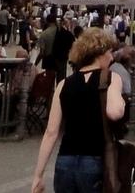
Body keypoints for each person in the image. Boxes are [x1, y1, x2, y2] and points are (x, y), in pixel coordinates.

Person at [30, 26, 126, 193]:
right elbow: (115, 112)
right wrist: (122, 102)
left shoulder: (63, 84)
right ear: (100, 53)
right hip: (95, 159)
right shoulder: (111, 78)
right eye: (109, 52)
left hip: (65, 161)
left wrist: (38, 175)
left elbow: (51, 133)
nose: (111, 58)